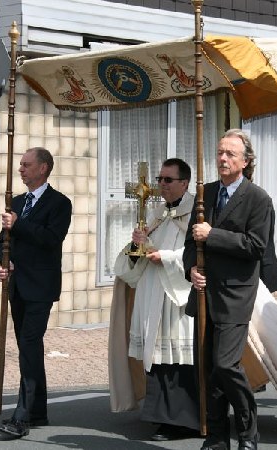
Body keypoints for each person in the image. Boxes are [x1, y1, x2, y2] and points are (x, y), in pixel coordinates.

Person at [183, 129, 276, 450]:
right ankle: (218, 437)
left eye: (230, 154)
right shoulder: (204, 193)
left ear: (246, 161)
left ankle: (249, 431)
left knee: (226, 365)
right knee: (207, 371)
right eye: (220, 152)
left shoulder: (258, 199)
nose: (222, 158)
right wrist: (191, 269)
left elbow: (256, 245)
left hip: (235, 294)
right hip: (204, 294)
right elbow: (188, 243)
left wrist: (213, 235)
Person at [109, 158, 200, 441]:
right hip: (152, 294)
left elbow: (199, 253)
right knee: (159, 359)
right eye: (160, 179)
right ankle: (162, 417)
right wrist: (138, 243)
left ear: (184, 183)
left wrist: (168, 258)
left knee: (178, 360)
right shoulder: (159, 213)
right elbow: (138, 258)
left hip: (177, 299)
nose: (161, 184)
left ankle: (184, 421)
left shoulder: (195, 214)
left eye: (167, 180)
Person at [0, 147, 72, 438]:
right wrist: (6, 262)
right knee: (30, 348)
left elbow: (51, 239)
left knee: (28, 344)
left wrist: (20, 224)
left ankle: (22, 417)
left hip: (41, 286)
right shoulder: (16, 201)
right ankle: (38, 410)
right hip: (18, 285)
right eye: (20, 165)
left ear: (43, 168)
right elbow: (2, 242)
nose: (21, 169)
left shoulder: (59, 203)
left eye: (26, 165)